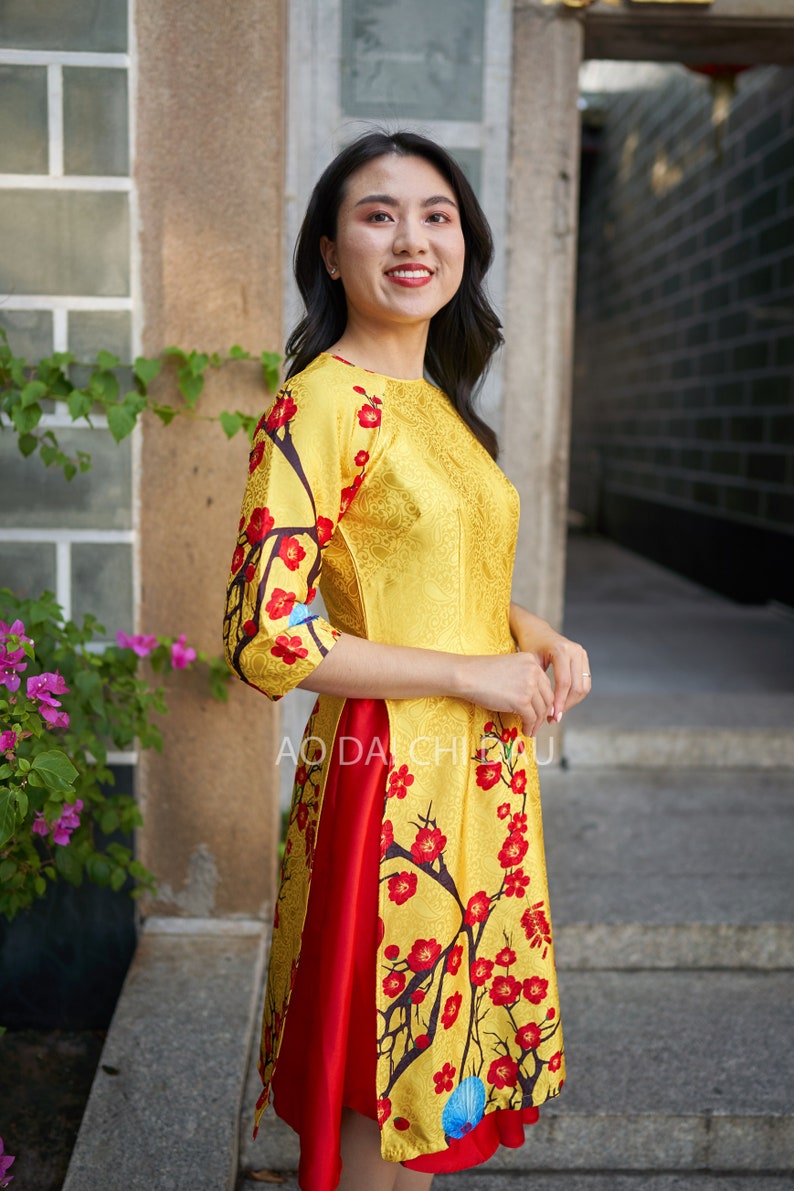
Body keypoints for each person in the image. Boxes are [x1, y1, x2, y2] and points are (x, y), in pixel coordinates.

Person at [223, 129, 591, 1191]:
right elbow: (269, 633)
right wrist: (471, 675)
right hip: (390, 786)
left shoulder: (436, 404)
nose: (411, 238)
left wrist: (527, 631)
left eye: (435, 214)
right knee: (389, 1085)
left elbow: (429, 570)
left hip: (472, 776)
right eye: (376, 215)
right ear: (330, 253)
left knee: (435, 1078)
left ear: (463, 242)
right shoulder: (317, 403)